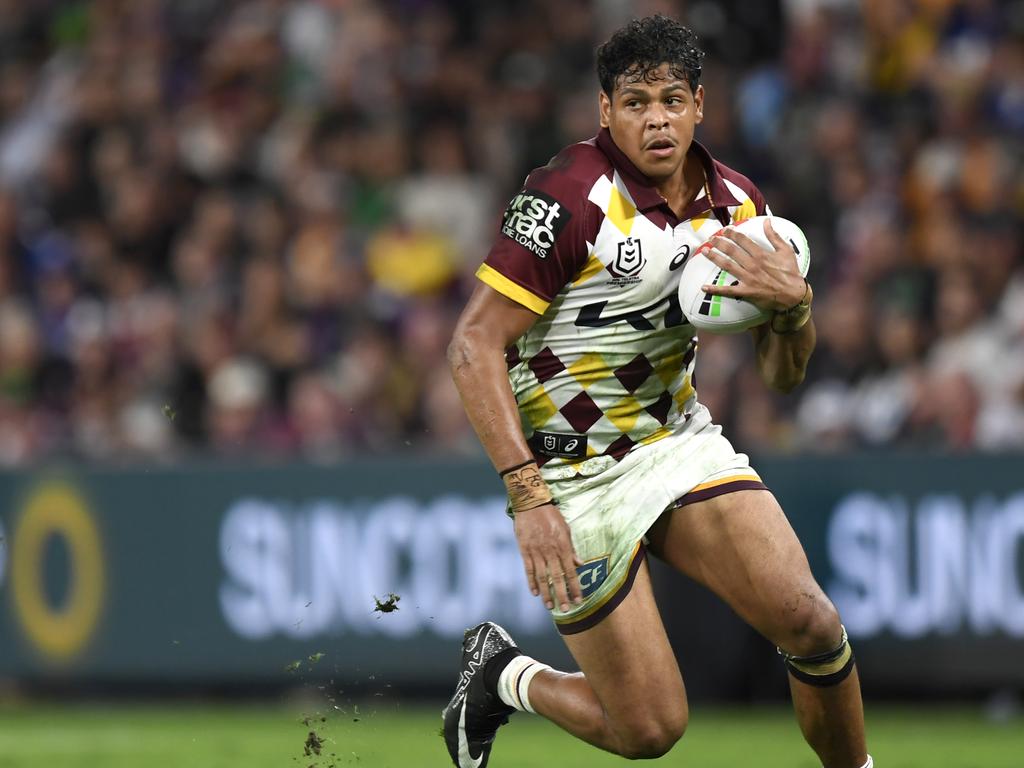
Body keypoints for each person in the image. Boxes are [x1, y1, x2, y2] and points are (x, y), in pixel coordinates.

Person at [442, 14, 871, 768]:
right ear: (605, 111)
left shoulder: (739, 206)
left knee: (811, 621)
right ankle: (503, 674)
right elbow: (472, 345)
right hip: (571, 476)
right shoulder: (567, 194)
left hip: (675, 442)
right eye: (636, 103)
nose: (657, 119)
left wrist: (795, 310)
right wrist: (529, 496)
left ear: (700, 105)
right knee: (649, 731)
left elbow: (784, 373)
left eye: (672, 100)